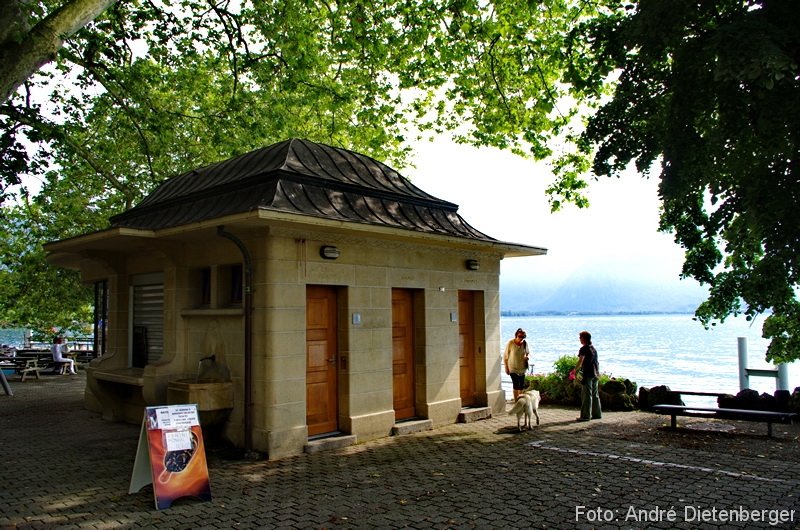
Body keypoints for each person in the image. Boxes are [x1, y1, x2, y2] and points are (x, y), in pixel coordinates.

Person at [575, 330, 601, 421]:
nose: (579, 339)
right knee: (595, 394)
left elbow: (580, 361)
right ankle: (597, 414)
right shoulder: (593, 348)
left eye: (580, 337)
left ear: (584, 338)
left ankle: (585, 416)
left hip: (588, 374)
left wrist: (575, 370)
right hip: (596, 373)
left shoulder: (584, 349)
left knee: (587, 395)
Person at [503, 328, 530, 401]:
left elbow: (527, 353)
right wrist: (506, 367)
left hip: (522, 367)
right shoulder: (510, 343)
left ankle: (520, 400)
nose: (521, 338)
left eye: (523, 337)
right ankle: (516, 401)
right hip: (512, 367)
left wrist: (526, 357)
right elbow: (505, 356)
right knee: (516, 384)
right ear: (516, 335)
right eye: (519, 336)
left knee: (521, 385)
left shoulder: (525, 343)